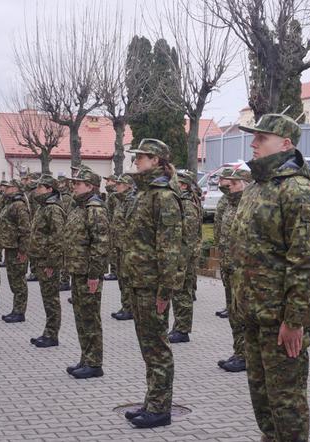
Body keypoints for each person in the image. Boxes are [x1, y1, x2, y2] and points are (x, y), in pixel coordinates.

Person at [230, 114, 310, 442]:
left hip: (280, 321)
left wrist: (295, 319)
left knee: (286, 403)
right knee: (263, 401)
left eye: (262, 138)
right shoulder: (257, 187)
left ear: (285, 143)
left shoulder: (298, 190)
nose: (253, 143)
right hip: (254, 315)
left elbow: (306, 262)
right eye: (253, 137)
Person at [121, 139, 183, 429]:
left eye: (142, 157)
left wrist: (165, 290)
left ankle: (161, 408)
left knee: (157, 347)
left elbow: (169, 247)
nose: (137, 161)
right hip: (138, 280)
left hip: (153, 284)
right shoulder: (143, 193)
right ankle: (152, 400)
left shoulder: (164, 195)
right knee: (147, 345)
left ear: (157, 160)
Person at [63, 168, 109, 379]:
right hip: (77, 270)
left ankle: (94, 363)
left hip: (88, 273)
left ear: (90, 186)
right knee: (81, 317)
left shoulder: (95, 209)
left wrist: (94, 275)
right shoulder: (78, 207)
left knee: (90, 318)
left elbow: (100, 245)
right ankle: (85, 357)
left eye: (78, 183)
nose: (74, 186)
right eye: (74, 183)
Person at [216, 167, 252, 373]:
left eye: (236, 183)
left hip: (243, 272)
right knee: (233, 313)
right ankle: (239, 351)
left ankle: (246, 354)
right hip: (229, 268)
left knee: (242, 314)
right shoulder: (230, 205)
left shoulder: (249, 207)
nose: (231, 186)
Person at [29, 174, 66, 348]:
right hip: (41, 259)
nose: (37, 190)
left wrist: (52, 262)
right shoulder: (43, 207)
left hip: (48, 261)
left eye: (40, 187)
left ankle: (52, 334)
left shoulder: (53, 209)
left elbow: (57, 237)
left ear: (50, 189)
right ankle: (48, 332)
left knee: (51, 299)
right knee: (47, 298)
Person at [168, 169, 202, 344]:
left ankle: (182, 329)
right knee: (179, 292)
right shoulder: (182, 201)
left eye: (176, 182)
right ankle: (179, 326)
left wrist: (180, 259)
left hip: (184, 256)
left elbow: (187, 236)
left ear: (183, 185)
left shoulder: (187, 204)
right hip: (182, 255)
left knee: (182, 293)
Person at [0, 180, 31, 323]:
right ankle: (15, 309)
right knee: (13, 280)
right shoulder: (10, 203)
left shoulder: (19, 205)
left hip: (17, 249)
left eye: (7, 187)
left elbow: (25, 230)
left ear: (15, 189)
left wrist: (23, 251)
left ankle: (19, 312)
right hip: (10, 247)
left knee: (19, 281)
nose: (3, 189)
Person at [110, 174, 136, 321]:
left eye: (120, 184)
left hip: (127, 248)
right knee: (121, 277)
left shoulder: (130, 201)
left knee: (127, 278)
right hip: (119, 246)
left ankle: (129, 308)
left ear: (128, 186)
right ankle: (125, 305)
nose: (116, 186)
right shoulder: (120, 200)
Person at [212, 168, 234, 318]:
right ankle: (229, 305)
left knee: (232, 280)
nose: (220, 181)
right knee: (226, 279)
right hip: (223, 243)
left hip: (232, 247)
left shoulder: (235, 198)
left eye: (223, 179)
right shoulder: (225, 198)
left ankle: (233, 307)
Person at [103, 174, 119, 281]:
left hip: (113, 226)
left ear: (113, 181)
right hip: (110, 224)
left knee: (113, 249)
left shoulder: (114, 194)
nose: (106, 183)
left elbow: (115, 211)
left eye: (108, 181)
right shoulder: (110, 194)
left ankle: (114, 272)